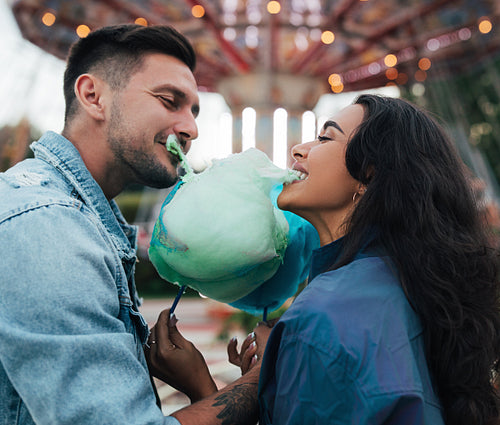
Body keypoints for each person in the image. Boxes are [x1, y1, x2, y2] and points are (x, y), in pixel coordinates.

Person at [0, 24, 262, 425]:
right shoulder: (49, 225)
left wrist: (202, 388)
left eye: (193, 110)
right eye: (170, 101)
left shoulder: (86, 220)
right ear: (93, 96)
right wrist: (258, 382)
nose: (191, 128)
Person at [252, 95, 500, 424]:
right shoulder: (414, 281)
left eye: (326, 138)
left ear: (369, 174)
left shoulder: (320, 319)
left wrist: (203, 390)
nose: (299, 149)